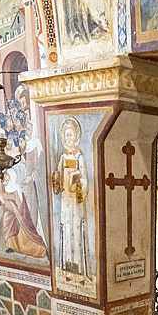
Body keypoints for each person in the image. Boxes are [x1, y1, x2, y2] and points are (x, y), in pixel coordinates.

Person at [52, 116, 90, 277]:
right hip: (65, 201)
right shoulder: (63, 156)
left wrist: (78, 181)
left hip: (76, 201)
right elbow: (58, 176)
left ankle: (79, 268)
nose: (69, 138)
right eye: (66, 135)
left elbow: (85, 178)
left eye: (71, 134)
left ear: (76, 137)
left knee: (76, 229)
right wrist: (56, 178)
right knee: (66, 230)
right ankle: (67, 266)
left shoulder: (79, 156)